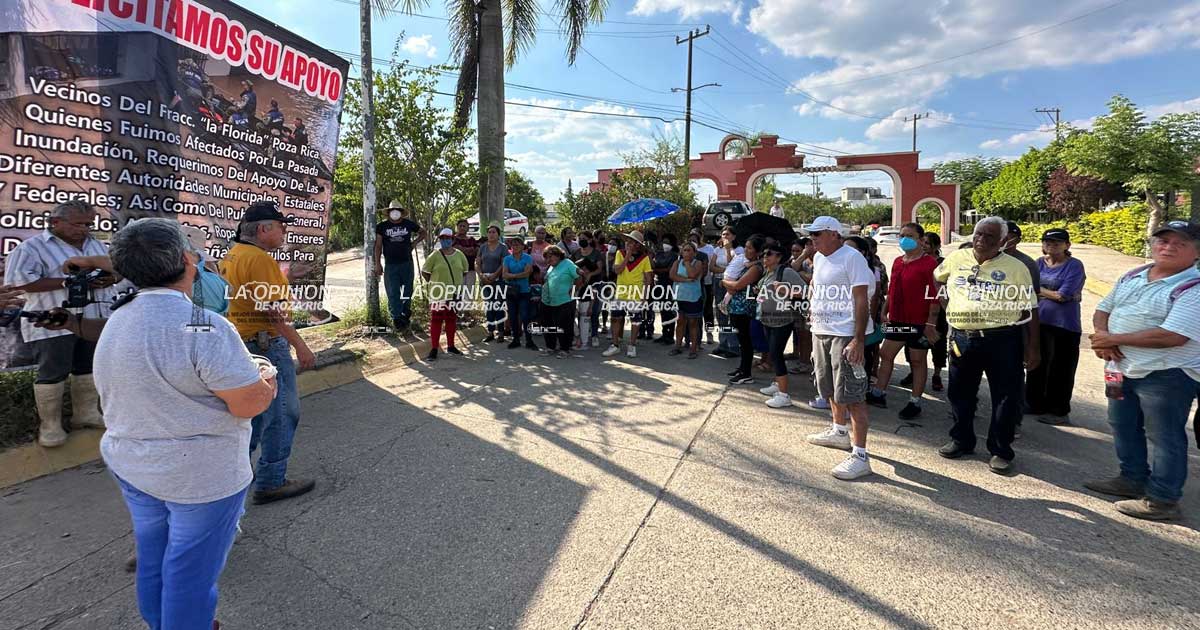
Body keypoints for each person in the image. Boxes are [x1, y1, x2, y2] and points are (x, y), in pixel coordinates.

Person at [93, 218, 276, 630]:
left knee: (155, 559)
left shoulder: (118, 320)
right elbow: (248, 403)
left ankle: (159, 622)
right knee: (190, 574)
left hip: (134, 467)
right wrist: (267, 377)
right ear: (187, 260)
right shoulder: (203, 324)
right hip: (199, 477)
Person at [1085, 221, 1200, 521]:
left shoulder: (1193, 287)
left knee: (1164, 436)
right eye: (1162, 240)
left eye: (1180, 243)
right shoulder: (1134, 274)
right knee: (1122, 424)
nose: (1168, 246)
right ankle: (1131, 478)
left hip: (1167, 374)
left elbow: (1172, 336)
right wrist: (1102, 337)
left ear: (1196, 252)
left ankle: (1163, 499)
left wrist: (1113, 339)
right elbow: (1104, 308)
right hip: (1122, 367)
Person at [220, 200, 317, 504]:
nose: (284, 230)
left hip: (243, 344)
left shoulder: (234, 253)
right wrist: (300, 345)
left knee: (255, 417)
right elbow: (275, 314)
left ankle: (230, 479)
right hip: (267, 345)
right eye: (279, 225)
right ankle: (271, 481)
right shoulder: (260, 260)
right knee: (283, 413)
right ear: (263, 229)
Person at [3, 200, 119, 447]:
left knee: (87, 367)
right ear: (55, 222)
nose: (85, 229)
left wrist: (107, 280)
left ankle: (85, 415)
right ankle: (50, 426)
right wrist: (68, 283)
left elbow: (113, 272)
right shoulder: (30, 249)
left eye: (89, 224)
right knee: (53, 372)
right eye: (79, 224)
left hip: (92, 317)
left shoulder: (96, 245)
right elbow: (18, 284)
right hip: (52, 320)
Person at [933, 217, 1038, 476]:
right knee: (960, 392)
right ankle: (961, 440)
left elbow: (1031, 309)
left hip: (1002, 340)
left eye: (990, 236)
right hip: (962, 338)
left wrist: (1032, 347)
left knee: (1005, 397)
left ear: (1003, 241)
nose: (981, 240)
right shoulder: (958, 259)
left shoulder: (1017, 268)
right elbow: (937, 277)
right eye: (979, 234)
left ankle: (1001, 450)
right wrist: (946, 300)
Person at [802, 217, 875, 480]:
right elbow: (816, 288)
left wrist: (858, 339)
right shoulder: (820, 258)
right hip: (821, 331)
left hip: (845, 335)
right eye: (811, 234)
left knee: (853, 395)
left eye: (817, 234)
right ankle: (839, 431)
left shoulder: (852, 257)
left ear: (834, 233)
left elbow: (861, 299)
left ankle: (860, 455)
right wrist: (812, 313)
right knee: (829, 388)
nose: (813, 238)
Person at [865, 223, 940, 420]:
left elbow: (935, 296)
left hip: (919, 322)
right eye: (902, 235)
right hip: (898, 319)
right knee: (885, 354)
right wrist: (884, 310)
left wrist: (931, 324)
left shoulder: (930, 264)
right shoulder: (898, 261)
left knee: (917, 361)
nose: (904, 239)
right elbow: (892, 290)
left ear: (921, 240)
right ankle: (878, 393)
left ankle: (915, 402)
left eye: (909, 235)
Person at [1025, 229, 1086, 425]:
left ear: (1067, 245)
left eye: (1057, 242)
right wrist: (1050, 293)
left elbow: (1063, 295)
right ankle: (1034, 403)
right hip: (1039, 321)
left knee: (1061, 368)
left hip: (1065, 325)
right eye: (1048, 241)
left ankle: (1059, 411)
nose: (1051, 245)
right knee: (1037, 363)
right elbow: (1026, 288)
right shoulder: (1038, 263)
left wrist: (1040, 291)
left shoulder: (1074, 265)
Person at [756, 242, 805, 408]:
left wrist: (785, 291)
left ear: (779, 257)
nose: (765, 257)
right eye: (764, 254)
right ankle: (777, 384)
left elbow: (805, 292)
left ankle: (784, 395)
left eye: (769, 254)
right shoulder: (767, 272)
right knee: (772, 352)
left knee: (776, 354)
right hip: (767, 319)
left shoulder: (787, 272)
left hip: (782, 320)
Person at [905, 233, 948, 392]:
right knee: (911, 342)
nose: (923, 245)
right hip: (916, 310)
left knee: (937, 343)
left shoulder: (943, 264)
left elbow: (943, 289)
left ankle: (936, 375)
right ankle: (913, 372)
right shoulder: (912, 259)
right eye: (922, 242)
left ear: (936, 247)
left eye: (927, 243)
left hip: (938, 310)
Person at [373, 201, 426, 332]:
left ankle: (405, 313)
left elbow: (423, 232)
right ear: (389, 212)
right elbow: (378, 246)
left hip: (407, 262)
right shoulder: (382, 227)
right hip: (391, 264)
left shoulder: (408, 224)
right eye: (393, 210)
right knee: (393, 292)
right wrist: (377, 263)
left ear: (401, 212)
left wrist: (414, 243)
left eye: (398, 210)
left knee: (408, 290)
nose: (395, 212)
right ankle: (396, 318)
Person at [603, 231, 653, 359]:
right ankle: (615, 345)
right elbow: (617, 270)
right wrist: (628, 256)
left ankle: (632, 345)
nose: (628, 243)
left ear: (637, 245)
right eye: (627, 241)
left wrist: (645, 296)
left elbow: (648, 278)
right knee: (615, 318)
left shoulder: (644, 258)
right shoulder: (620, 253)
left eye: (631, 241)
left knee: (635, 321)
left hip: (636, 294)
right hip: (621, 293)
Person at [722, 235, 765, 385]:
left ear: (758, 251)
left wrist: (723, 281)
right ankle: (742, 368)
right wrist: (728, 284)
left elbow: (738, 285)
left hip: (744, 309)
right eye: (745, 246)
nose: (746, 250)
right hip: (736, 306)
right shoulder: (745, 264)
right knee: (741, 340)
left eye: (750, 248)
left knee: (745, 341)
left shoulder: (756, 268)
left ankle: (746, 372)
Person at [422, 229, 469, 360]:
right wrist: (435, 284)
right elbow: (425, 272)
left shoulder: (460, 255)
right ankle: (434, 348)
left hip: (454, 294)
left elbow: (464, 272)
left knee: (451, 320)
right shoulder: (435, 255)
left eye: (447, 238)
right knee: (436, 321)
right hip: (438, 295)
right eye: (442, 238)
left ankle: (451, 346)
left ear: (452, 239)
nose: (445, 240)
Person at [540, 245, 580, 358]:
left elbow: (580, 276)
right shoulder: (551, 267)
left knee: (564, 325)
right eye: (546, 258)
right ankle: (550, 347)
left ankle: (565, 349)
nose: (548, 260)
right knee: (548, 324)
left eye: (550, 257)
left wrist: (573, 291)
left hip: (565, 301)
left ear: (558, 255)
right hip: (548, 300)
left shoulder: (568, 263)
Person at [710, 227, 744, 358]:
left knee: (730, 314)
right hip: (718, 282)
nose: (725, 236)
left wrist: (729, 249)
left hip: (731, 284)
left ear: (734, 236)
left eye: (728, 234)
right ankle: (722, 344)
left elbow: (732, 265)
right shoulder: (717, 249)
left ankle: (733, 346)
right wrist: (724, 271)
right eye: (723, 234)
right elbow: (711, 267)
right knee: (720, 313)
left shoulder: (739, 250)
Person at [501, 237, 538, 351]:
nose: (515, 247)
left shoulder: (527, 258)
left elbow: (527, 273)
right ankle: (515, 339)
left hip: (524, 291)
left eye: (518, 244)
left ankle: (529, 340)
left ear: (522, 246)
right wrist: (517, 275)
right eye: (513, 245)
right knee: (512, 316)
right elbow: (504, 274)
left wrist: (512, 276)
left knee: (525, 316)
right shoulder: (507, 259)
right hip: (511, 291)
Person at [669, 241, 704, 359]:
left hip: (693, 298)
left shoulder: (698, 263)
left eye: (689, 250)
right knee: (680, 323)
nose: (687, 252)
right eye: (685, 250)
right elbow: (672, 276)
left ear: (694, 253)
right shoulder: (677, 262)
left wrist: (688, 263)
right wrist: (685, 279)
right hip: (679, 297)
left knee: (693, 324)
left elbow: (693, 275)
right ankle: (677, 346)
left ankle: (693, 348)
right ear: (681, 252)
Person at [476, 225, 509, 343]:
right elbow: (477, 263)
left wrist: (495, 275)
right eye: (489, 232)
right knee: (489, 307)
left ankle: (500, 333)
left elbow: (504, 264)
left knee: (498, 306)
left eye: (494, 232)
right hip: (485, 282)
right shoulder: (483, 247)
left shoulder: (503, 247)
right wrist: (481, 275)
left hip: (498, 281)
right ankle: (490, 332)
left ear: (498, 234)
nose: (491, 234)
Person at [788, 238, 815, 374]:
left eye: (811, 244)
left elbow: (814, 280)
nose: (809, 247)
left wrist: (802, 274)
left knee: (808, 334)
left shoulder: (820, 260)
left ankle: (808, 363)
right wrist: (803, 255)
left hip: (811, 302)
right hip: (799, 302)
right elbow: (792, 269)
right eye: (807, 245)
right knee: (801, 333)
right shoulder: (803, 260)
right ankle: (802, 360)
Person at [574, 232, 604, 348]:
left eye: (584, 238)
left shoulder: (596, 253)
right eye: (579, 238)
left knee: (594, 311)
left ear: (590, 239)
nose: (581, 240)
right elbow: (572, 266)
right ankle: (581, 336)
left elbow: (599, 268)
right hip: (580, 284)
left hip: (594, 283)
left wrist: (590, 274)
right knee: (581, 311)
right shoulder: (576, 253)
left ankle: (595, 335)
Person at [652, 233, 680, 344]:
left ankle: (669, 335)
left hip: (670, 284)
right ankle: (664, 334)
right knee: (663, 310)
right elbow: (653, 267)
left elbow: (669, 270)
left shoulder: (674, 255)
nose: (665, 244)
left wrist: (658, 270)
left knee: (669, 310)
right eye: (664, 242)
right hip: (659, 284)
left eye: (668, 242)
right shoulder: (658, 254)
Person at [696, 231, 717, 344]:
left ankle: (709, 333)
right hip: (695, 284)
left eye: (696, 236)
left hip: (707, 282)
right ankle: (697, 335)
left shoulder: (709, 248)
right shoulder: (689, 249)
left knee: (708, 310)